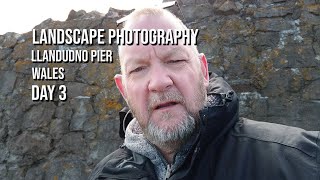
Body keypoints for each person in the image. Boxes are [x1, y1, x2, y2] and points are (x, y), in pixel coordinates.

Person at [89, 7, 320, 180]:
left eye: (175, 60)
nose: (159, 82)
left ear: (203, 71)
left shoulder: (305, 159)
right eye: (138, 69)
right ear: (124, 90)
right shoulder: (104, 175)